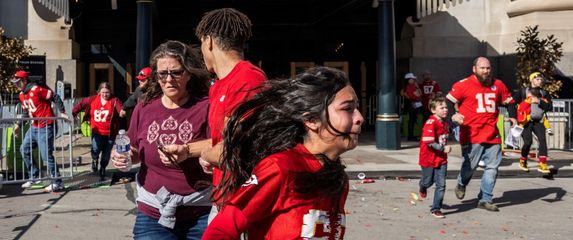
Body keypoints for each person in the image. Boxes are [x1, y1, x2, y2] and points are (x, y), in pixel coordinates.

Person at [202, 66, 363, 239]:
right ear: (311, 120)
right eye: (347, 109)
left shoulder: (338, 179)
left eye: (357, 108)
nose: (359, 117)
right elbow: (220, 230)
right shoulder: (280, 168)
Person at [161, 7, 267, 222]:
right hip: (223, 197)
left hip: (243, 202)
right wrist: (186, 150)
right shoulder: (219, 85)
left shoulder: (249, 80)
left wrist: (207, 155)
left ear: (208, 41)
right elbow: (222, 140)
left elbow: (232, 150)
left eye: (201, 44)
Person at [111, 41, 212, 239]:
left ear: (189, 73)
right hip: (152, 213)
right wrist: (124, 157)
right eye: (162, 74)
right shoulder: (144, 107)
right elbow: (135, 150)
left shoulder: (205, 106)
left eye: (176, 72)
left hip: (200, 211)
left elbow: (219, 144)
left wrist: (186, 150)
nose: (168, 80)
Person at [446, 57, 516, 212]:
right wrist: (453, 115)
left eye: (488, 68)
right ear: (474, 69)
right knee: (470, 166)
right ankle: (461, 183)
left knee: (492, 168)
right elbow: (448, 101)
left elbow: (510, 102)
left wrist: (513, 117)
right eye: (482, 68)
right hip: (471, 134)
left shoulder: (498, 84)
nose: (486, 71)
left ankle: (485, 198)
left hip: (492, 135)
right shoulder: (463, 85)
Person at [11, 70, 69, 192]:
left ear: (24, 81)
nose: (16, 85)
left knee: (46, 156)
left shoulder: (36, 89)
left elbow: (54, 96)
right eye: (15, 83)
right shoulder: (22, 95)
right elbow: (27, 112)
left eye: (18, 82)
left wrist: (62, 112)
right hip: (34, 127)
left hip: (46, 126)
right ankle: (35, 176)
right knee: (24, 149)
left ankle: (57, 182)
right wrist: (18, 125)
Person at [72, 82, 123, 181]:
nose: (105, 95)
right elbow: (81, 103)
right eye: (103, 92)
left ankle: (103, 168)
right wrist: (74, 112)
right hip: (97, 131)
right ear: (99, 92)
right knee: (96, 148)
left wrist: (122, 112)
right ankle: (94, 159)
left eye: (107, 92)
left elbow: (120, 109)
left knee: (106, 154)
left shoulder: (114, 100)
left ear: (110, 92)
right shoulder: (92, 99)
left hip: (110, 133)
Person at [418, 96, 450, 219]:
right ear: (433, 110)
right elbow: (429, 141)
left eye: (446, 107)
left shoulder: (445, 123)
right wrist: (443, 148)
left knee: (441, 185)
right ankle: (422, 185)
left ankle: (436, 208)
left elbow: (449, 131)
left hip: (441, 159)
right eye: (441, 108)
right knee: (428, 181)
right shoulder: (430, 123)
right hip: (428, 159)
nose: (445, 110)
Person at [514, 72, 553, 173]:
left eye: (541, 79)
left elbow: (550, 107)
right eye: (537, 79)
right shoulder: (523, 91)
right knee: (528, 142)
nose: (540, 81)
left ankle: (543, 164)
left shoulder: (544, 93)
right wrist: (514, 119)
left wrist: (539, 101)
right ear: (531, 80)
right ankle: (523, 160)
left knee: (542, 140)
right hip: (525, 122)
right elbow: (513, 103)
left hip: (538, 121)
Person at [403, 72, 423, 141]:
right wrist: (417, 88)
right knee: (412, 120)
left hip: (413, 103)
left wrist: (417, 89)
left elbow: (420, 94)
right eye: (412, 79)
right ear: (408, 80)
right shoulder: (410, 86)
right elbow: (418, 94)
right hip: (412, 104)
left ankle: (411, 136)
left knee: (413, 119)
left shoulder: (411, 86)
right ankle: (410, 136)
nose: (414, 80)